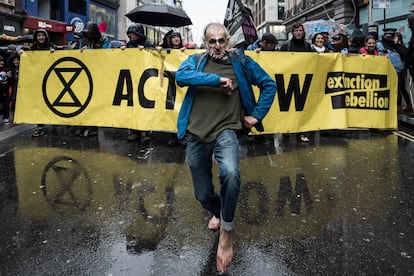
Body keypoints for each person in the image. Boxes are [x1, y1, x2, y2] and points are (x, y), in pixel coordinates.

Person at [175, 22, 276, 273]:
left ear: (228, 40)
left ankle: (226, 233)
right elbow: (181, 77)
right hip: (196, 134)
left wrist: (256, 116)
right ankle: (218, 210)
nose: (218, 45)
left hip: (226, 131)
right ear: (205, 42)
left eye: (222, 40)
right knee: (202, 194)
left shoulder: (241, 62)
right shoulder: (196, 61)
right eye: (212, 41)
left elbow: (269, 84)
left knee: (230, 173)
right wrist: (216, 80)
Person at [74, 22, 111, 137]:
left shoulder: (104, 41)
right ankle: (83, 124)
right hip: (84, 75)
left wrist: (89, 52)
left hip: (98, 75)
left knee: (94, 102)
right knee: (83, 101)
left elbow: (106, 56)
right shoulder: (84, 41)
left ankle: (93, 127)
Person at [280, 23, 312, 142]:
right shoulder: (286, 46)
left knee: (301, 106)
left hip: (303, 79)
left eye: (300, 30)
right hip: (289, 79)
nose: (298, 32)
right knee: (288, 105)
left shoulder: (307, 46)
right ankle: (287, 128)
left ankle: (301, 132)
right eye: (296, 30)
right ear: (292, 32)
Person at [121, 23, 154, 142]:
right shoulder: (129, 44)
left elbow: (153, 58)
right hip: (132, 77)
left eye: (132, 34)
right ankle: (134, 132)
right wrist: (123, 52)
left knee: (143, 106)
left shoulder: (148, 44)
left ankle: (145, 132)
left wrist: (146, 51)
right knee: (132, 107)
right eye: (129, 34)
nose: (131, 36)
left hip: (145, 79)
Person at [377, 28, 412, 113]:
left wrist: (397, 44)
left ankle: (401, 108)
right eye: (388, 36)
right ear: (384, 36)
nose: (389, 38)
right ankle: (397, 107)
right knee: (395, 89)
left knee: (400, 89)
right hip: (387, 70)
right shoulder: (380, 45)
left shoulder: (397, 45)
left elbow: (406, 54)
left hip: (400, 71)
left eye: (391, 36)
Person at [29, 29, 56, 136]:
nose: (40, 37)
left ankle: (54, 122)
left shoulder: (51, 46)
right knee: (39, 102)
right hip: (38, 80)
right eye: (38, 35)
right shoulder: (33, 48)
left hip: (51, 80)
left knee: (51, 101)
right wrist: (21, 52)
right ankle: (40, 126)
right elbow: (25, 54)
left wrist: (54, 53)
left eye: (42, 35)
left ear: (46, 36)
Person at [0, 56, 12, 125]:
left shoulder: (6, 69)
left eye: (2, 61)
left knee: (6, 105)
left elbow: (10, 80)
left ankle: (6, 118)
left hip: (5, 90)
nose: (2, 62)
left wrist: (10, 77)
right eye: (0, 61)